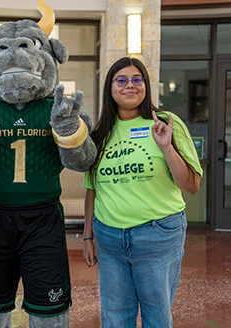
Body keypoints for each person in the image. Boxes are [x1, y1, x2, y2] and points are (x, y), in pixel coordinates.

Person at [82, 56, 203, 328]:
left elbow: (191, 185)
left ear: (146, 86)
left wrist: (166, 147)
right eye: (121, 80)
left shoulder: (167, 124)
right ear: (110, 88)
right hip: (110, 237)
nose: (130, 86)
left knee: (156, 317)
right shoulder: (101, 133)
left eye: (137, 80)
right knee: (114, 317)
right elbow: (92, 187)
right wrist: (88, 235)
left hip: (158, 235)